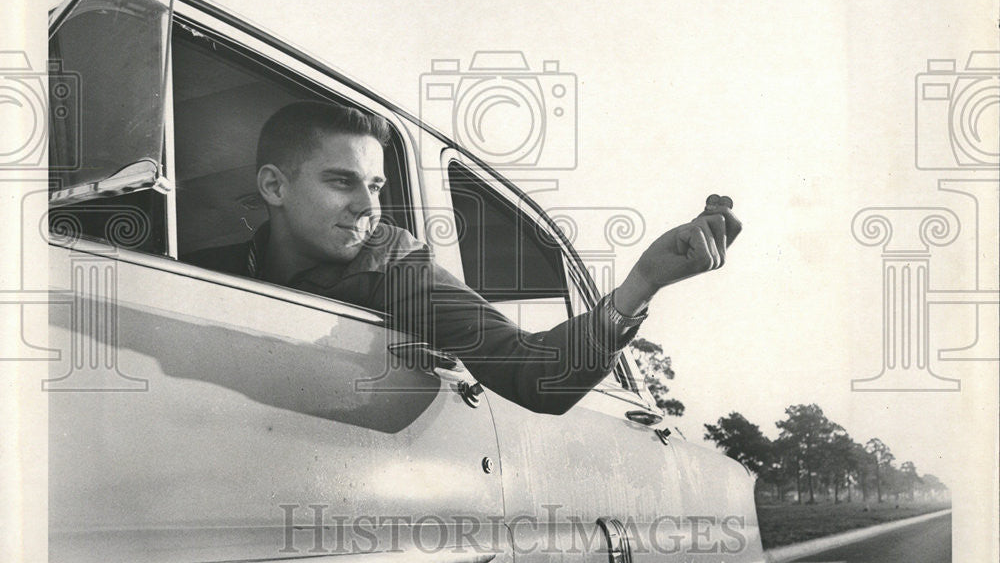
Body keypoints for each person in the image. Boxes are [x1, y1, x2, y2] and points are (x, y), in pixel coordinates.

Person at [185, 101, 741, 415]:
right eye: (341, 182)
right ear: (275, 187)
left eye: (376, 186)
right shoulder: (203, 269)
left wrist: (643, 281)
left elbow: (536, 375)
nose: (367, 207)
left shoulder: (393, 264)